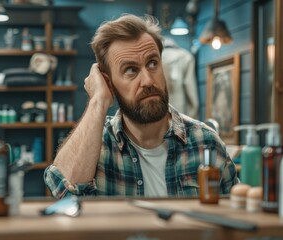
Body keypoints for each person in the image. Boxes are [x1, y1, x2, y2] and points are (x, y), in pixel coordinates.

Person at [44, 14, 238, 199]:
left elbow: (235, 216)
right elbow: (64, 195)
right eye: (131, 70)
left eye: (153, 63)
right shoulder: (97, 144)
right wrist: (97, 101)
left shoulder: (205, 142)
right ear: (108, 83)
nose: (147, 80)